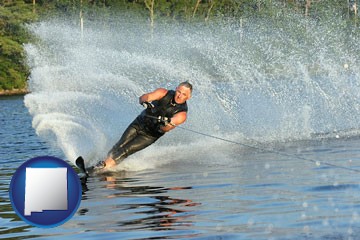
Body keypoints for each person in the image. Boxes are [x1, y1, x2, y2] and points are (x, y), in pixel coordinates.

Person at [90, 81, 193, 172]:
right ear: (176, 89)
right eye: (179, 92)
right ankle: (104, 163)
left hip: (149, 135)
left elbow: (166, 129)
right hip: (139, 123)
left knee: (126, 150)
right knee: (120, 145)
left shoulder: (182, 114)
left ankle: (103, 166)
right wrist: (145, 102)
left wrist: (165, 123)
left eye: (184, 94)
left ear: (188, 97)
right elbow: (144, 97)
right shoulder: (163, 93)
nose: (179, 96)